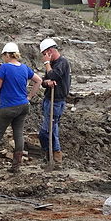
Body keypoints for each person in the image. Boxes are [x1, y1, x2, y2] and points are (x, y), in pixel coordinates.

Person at [0, 42, 42, 174]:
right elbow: (38, 80)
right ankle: (16, 166)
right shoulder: (24, 68)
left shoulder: (4, 68)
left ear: (8, 55)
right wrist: (30, 97)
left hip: (8, 106)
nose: (3, 57)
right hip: (23, 105)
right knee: (18, 134)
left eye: (4, 55)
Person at [38, 38, 71, 166]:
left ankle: (54, 155)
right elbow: (45, 81)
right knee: (52, 129)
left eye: (44, 54)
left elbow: (53, 75)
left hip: (56, 101)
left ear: (50, 51)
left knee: (47, 131)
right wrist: (47, 82)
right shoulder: (53, 65)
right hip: (48, 99)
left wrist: (47, 64)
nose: (44, 58)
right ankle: (50, 156)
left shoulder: (62, 63)